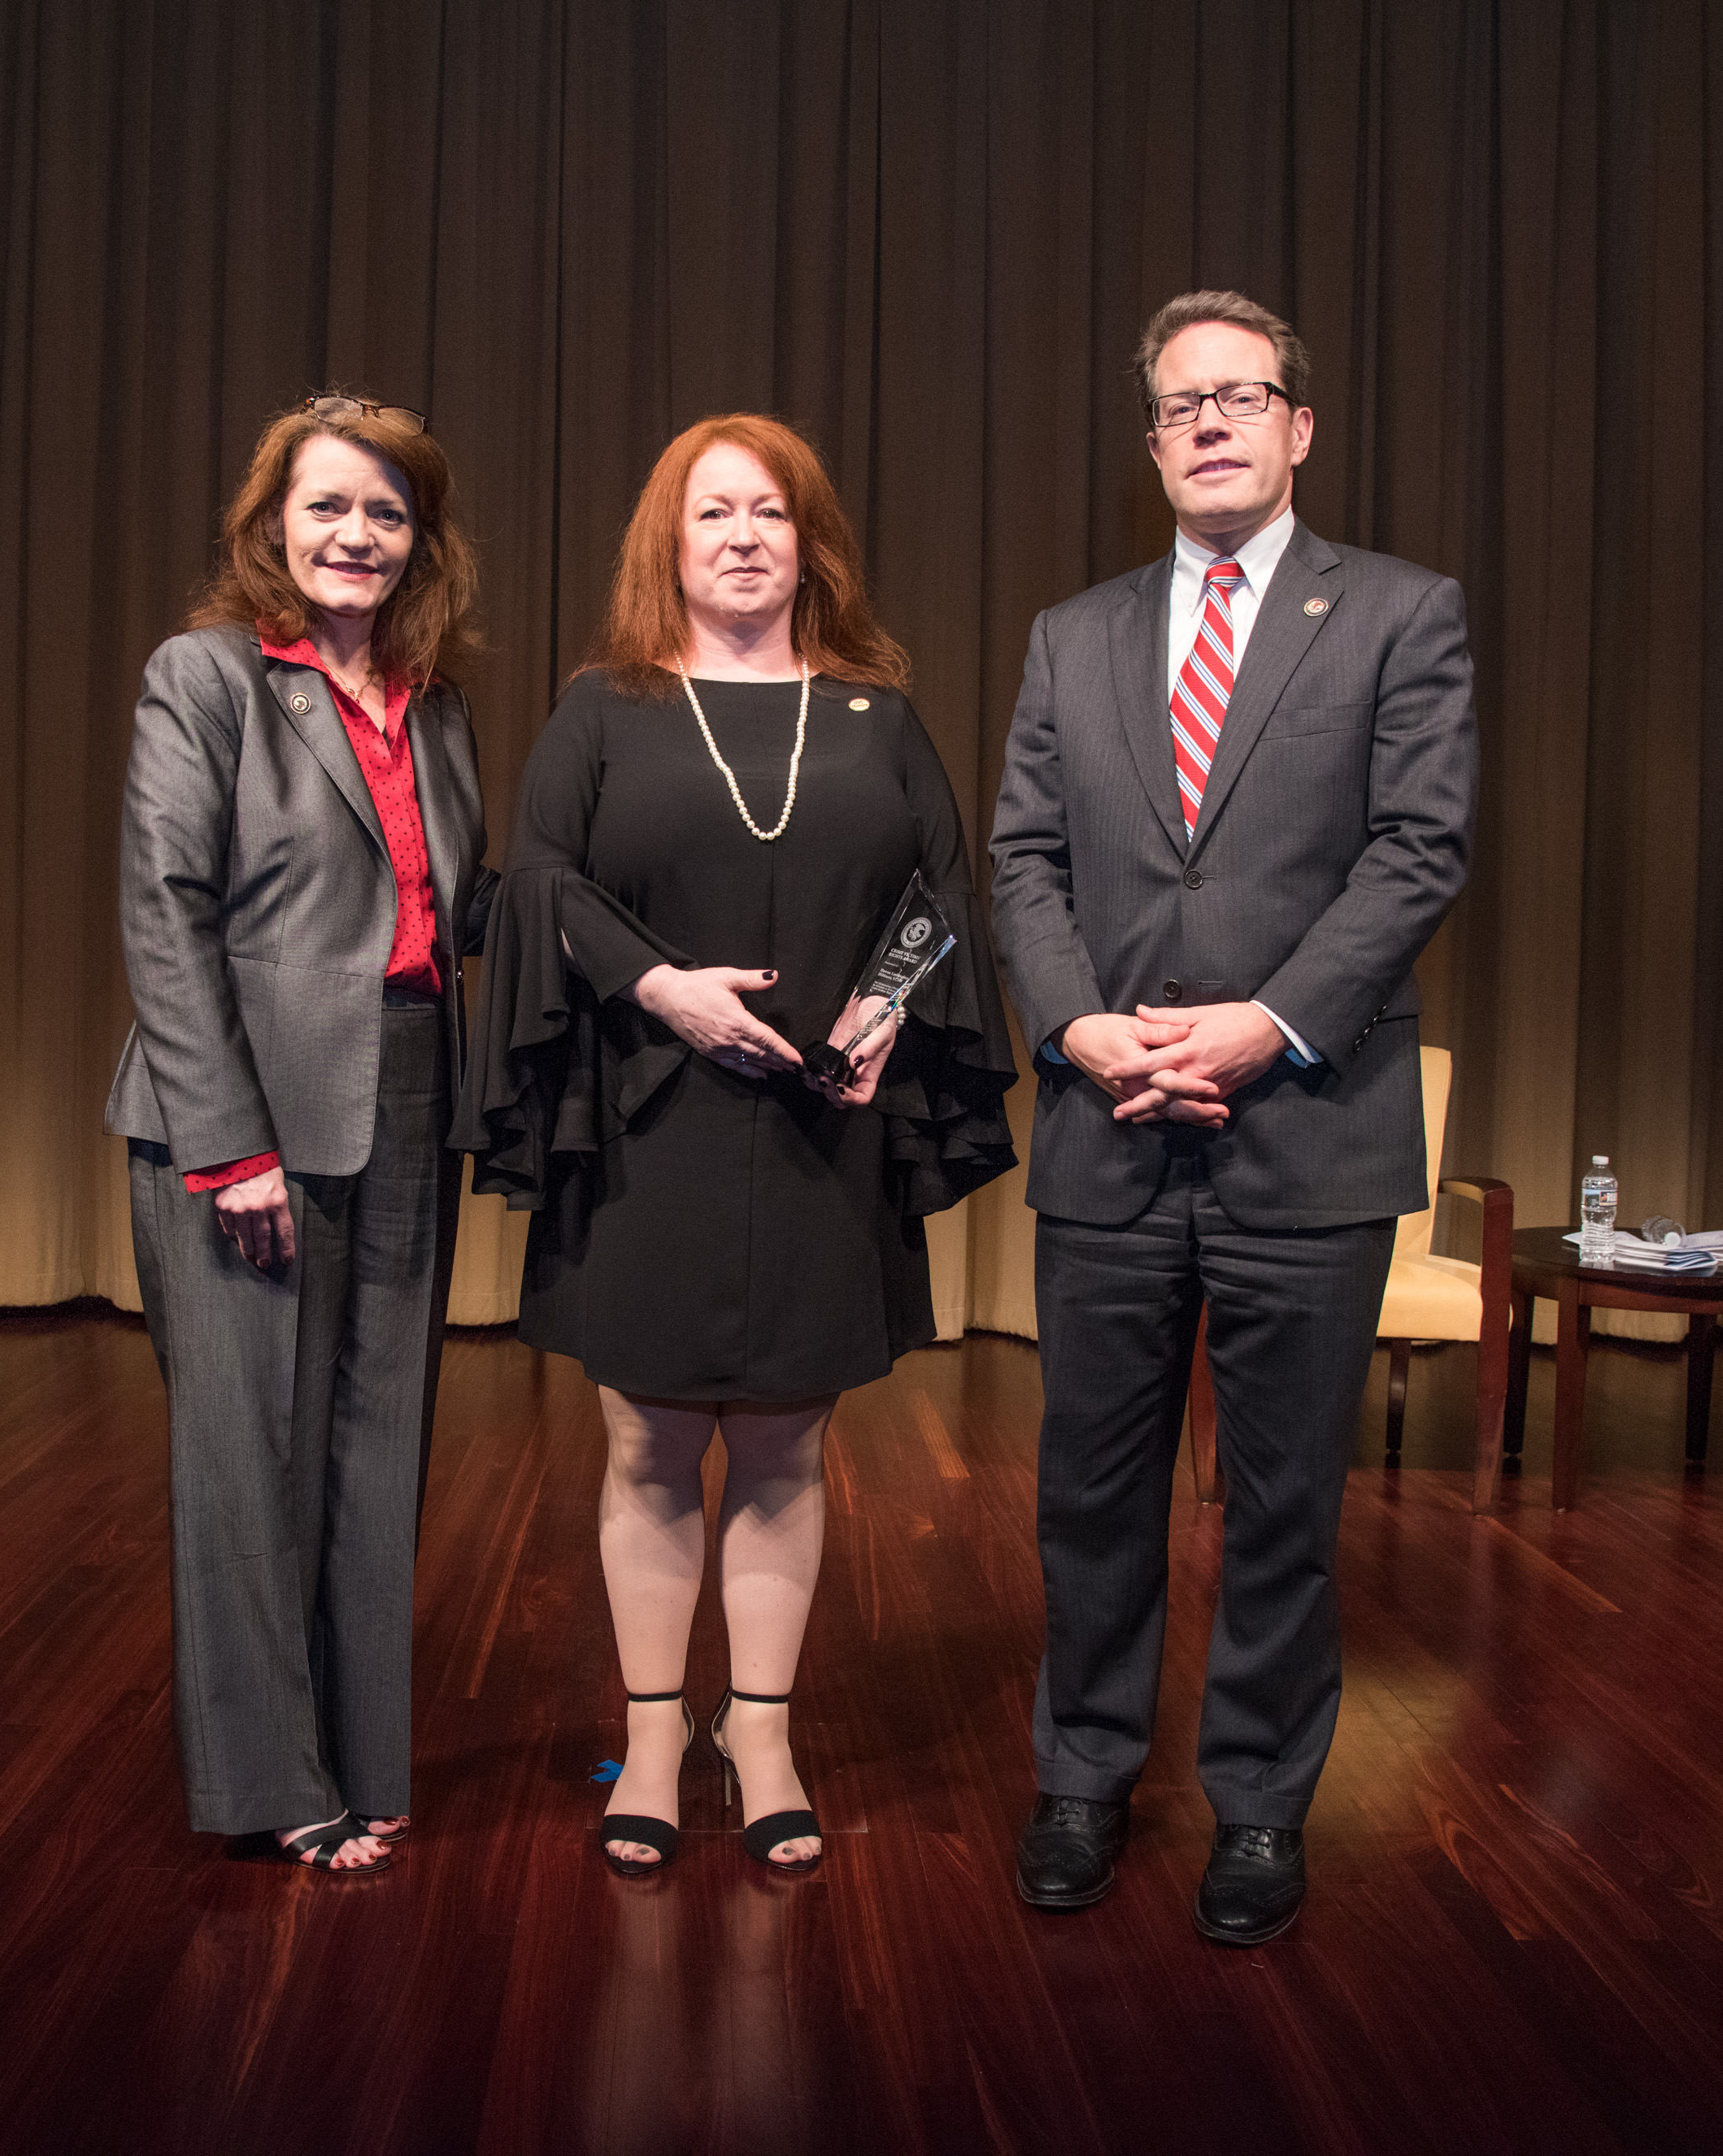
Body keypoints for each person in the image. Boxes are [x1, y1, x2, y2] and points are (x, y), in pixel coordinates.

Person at [459, 415, 1016, 1876]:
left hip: (826, 1124)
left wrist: (889, 1007)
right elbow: (539, 888)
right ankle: (652, 1732)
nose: (744, 537)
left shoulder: (877, 714)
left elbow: (942, 889)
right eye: (713, 515)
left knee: (786, 1443)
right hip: (652, 1123)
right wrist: (662, 986)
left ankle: (758, 1731)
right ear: (671, 543)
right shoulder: (605, 709)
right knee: (647, 1439)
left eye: (769, 512)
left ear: (808, 540)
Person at [987, 292, 1475, 1944]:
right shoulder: (1072, 635)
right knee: (1089, 1492)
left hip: (1304, 1133)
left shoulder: (1402, 615)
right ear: (1149, 442)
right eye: (1178, 403)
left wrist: (1263, 1029)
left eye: (1240, 395)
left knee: (1280, 1502)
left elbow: (1415, 851)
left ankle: (1258, 1805)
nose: (1208, 422)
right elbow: (1022, 862)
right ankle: (1081, 1774)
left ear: (1295, 429)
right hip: (1107, 1121)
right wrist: (1077, 1025)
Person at [105, 394, 486, 1876]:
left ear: (420, 539)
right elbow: (165, 908)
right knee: (250, 1452)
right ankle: (271, 1778)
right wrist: (228, 1143)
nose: (357, 536)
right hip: (242, 1111)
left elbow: (453, 905)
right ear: (274, 523)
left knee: (379, 1445)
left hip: (406, 1090)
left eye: (387, 513)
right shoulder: (202, 677)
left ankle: (366, 1754)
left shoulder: (432, 694)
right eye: (328, 507)